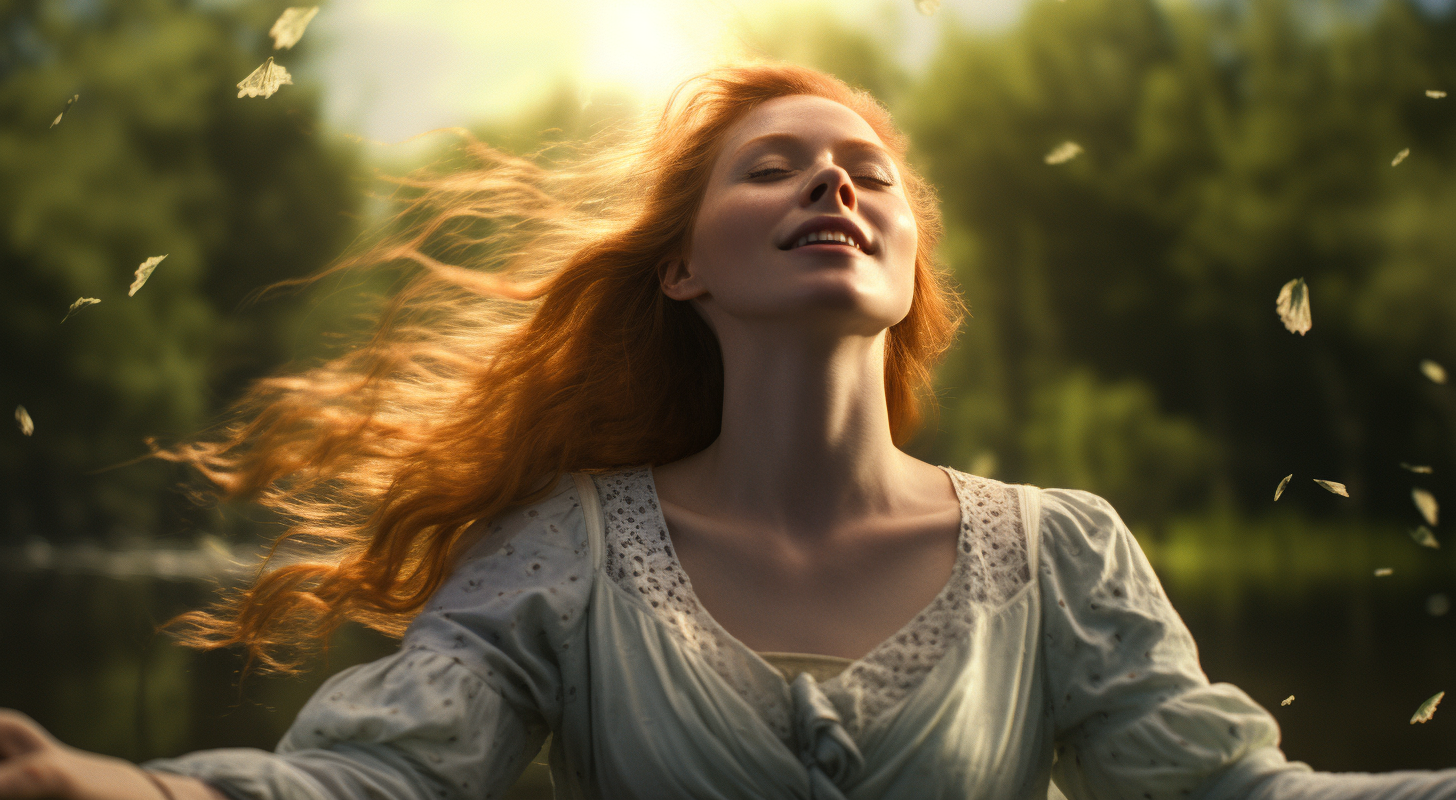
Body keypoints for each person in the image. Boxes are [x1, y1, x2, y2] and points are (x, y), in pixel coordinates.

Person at [1, 61, 1454, 800]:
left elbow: (1242, 799)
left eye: (867, 171)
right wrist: (115, 785)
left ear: (910, 273)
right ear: (683, 265)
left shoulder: (1060, 553)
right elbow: (373, 782)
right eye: (777, 166)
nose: (835, 185)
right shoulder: (564, 547)